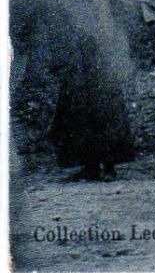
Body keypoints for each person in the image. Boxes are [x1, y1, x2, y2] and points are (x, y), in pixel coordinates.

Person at [50, 26, 136, 182]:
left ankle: (109, 167)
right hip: (78, 63)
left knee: (105, 113)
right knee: (78, 113)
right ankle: (90, 167)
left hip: (100, 64)